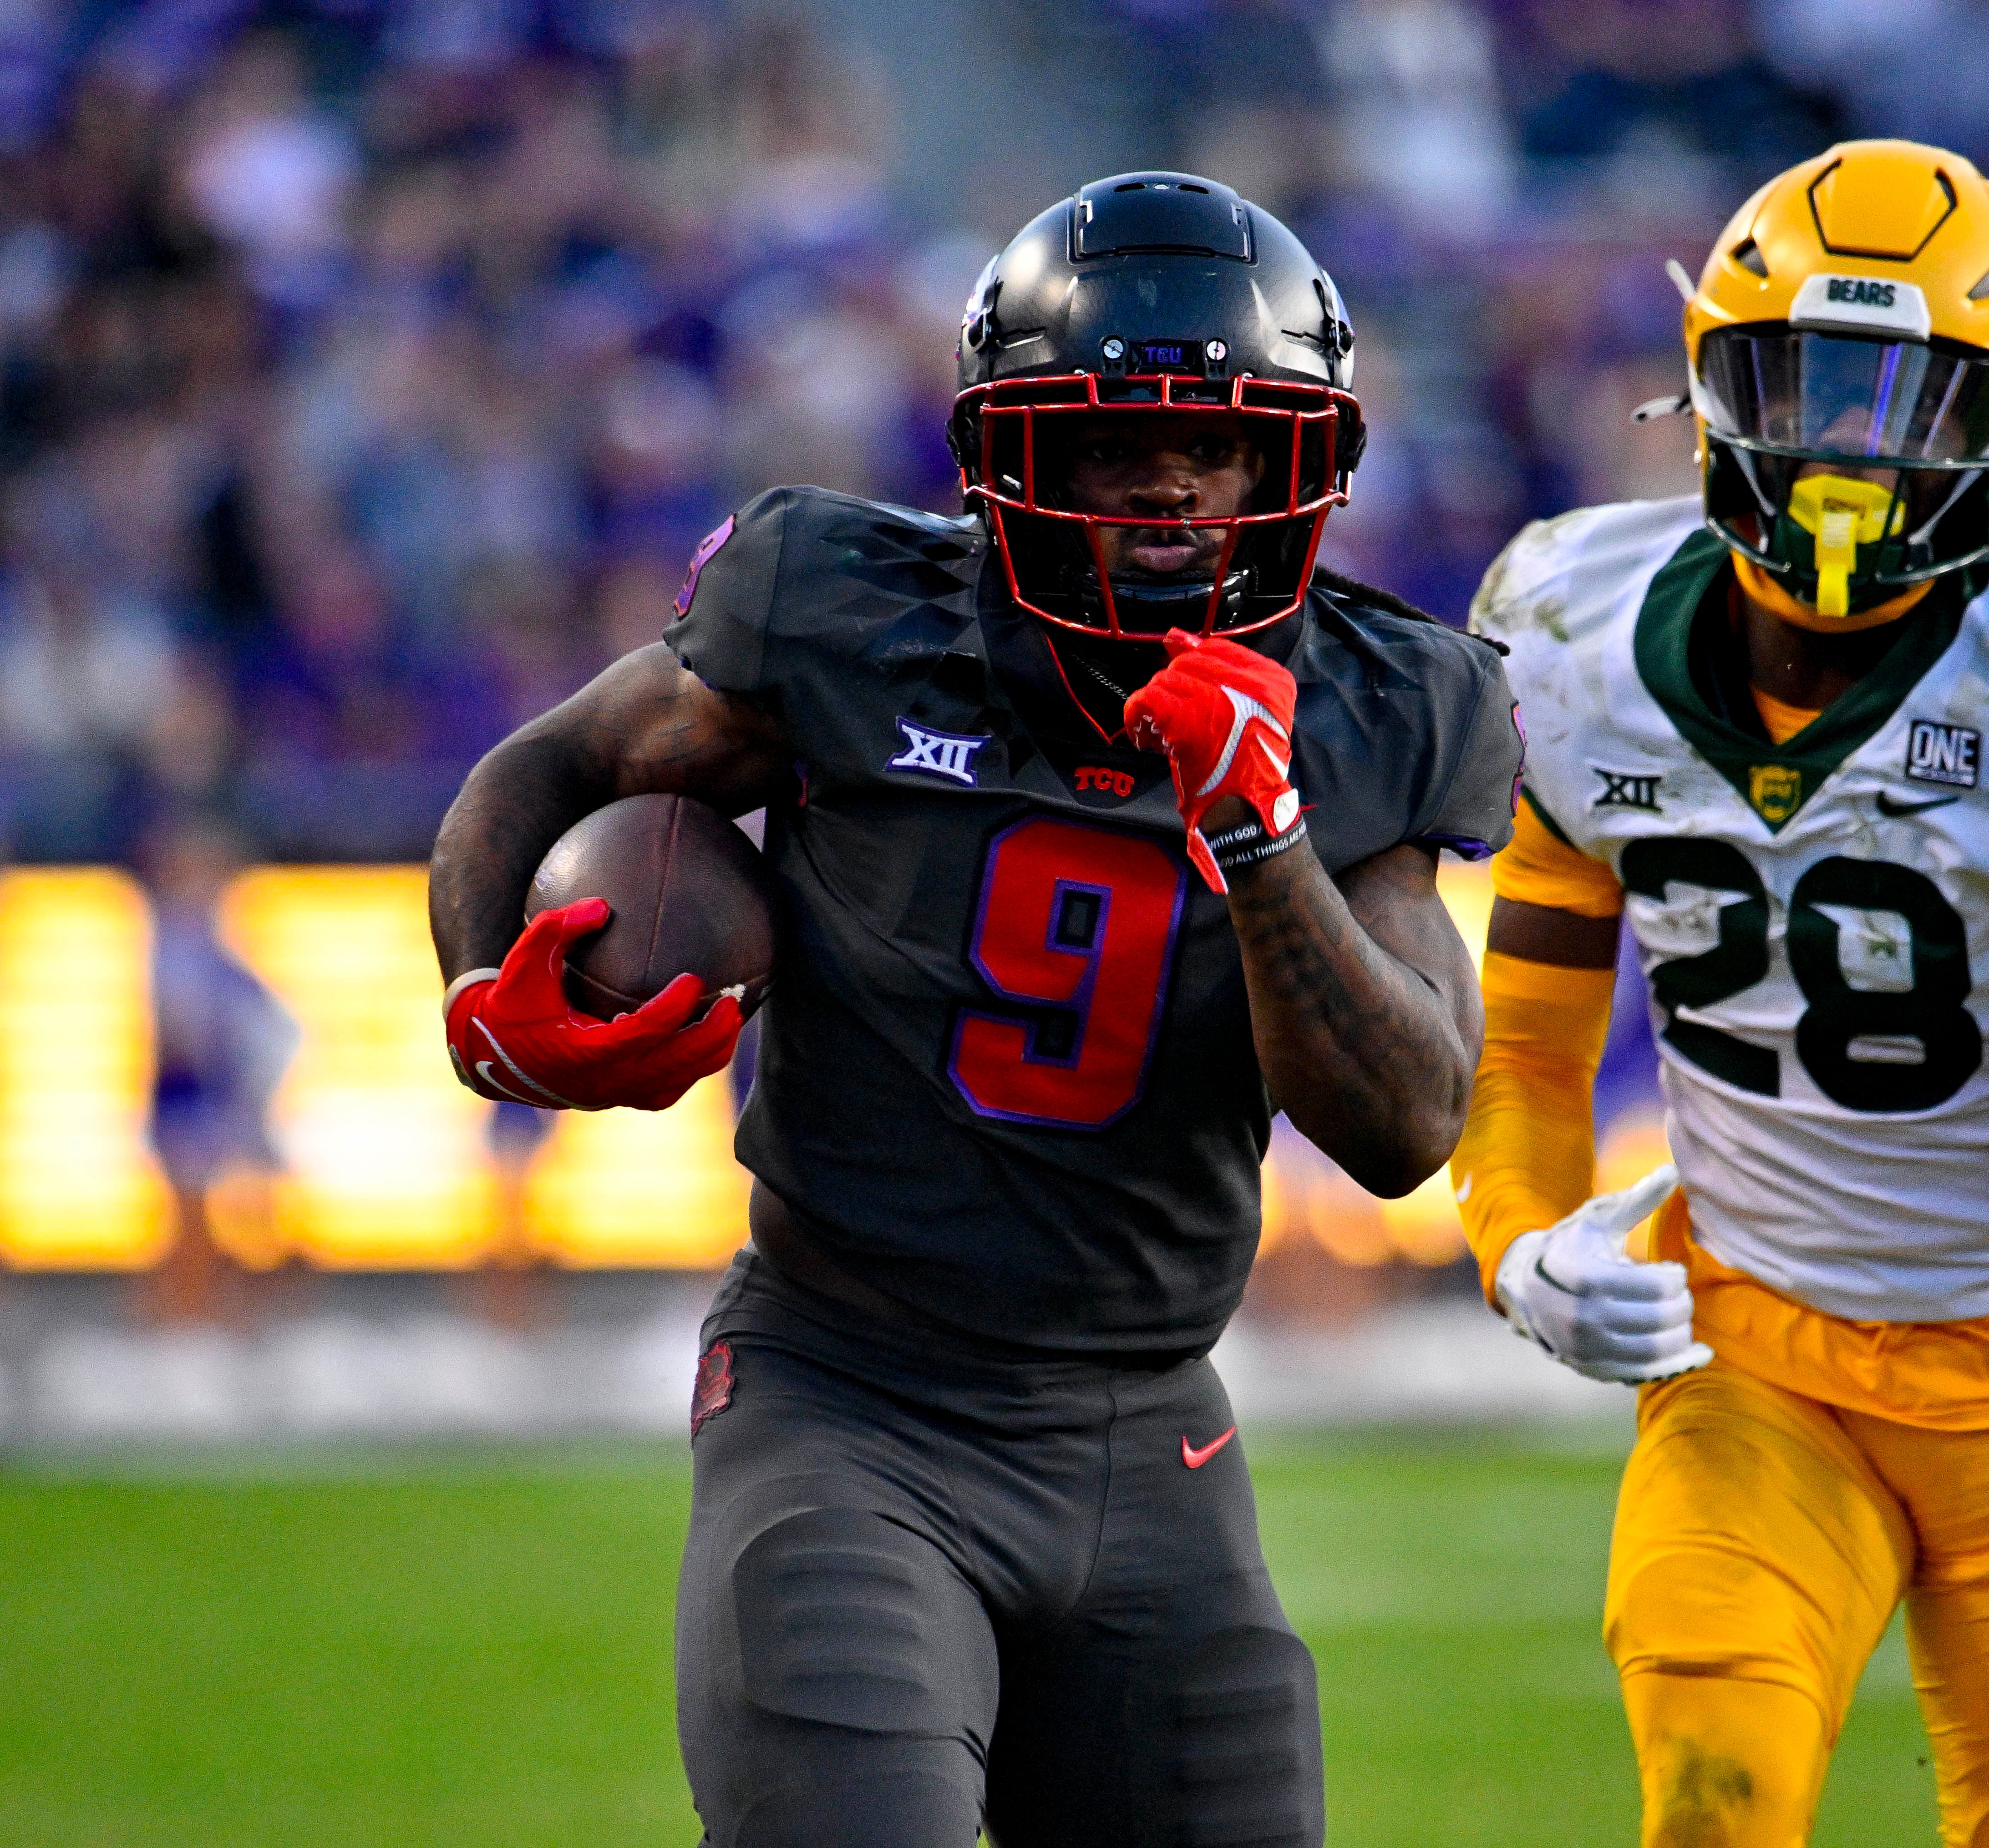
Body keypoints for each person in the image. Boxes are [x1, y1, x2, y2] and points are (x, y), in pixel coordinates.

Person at [425, 172, 1521, 1848]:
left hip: (1153, 1433)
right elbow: (555, 762)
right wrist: (478, 984)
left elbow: (1405, 1127)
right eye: (1110, 443)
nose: (1167, 485)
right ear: (1014, 455)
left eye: (1213, 445)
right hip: (849, 1396)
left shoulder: (1381, 705)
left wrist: (1264, 833)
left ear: (1291, 464)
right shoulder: (850, 616)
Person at [1452, 140, 1989, 1848]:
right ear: (1709, 382)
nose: (1850, 455)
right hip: (1752, 1358)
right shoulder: (1573, 646)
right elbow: (1519, 1045)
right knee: (1713, 1803)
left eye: (1918, 403)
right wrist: (1514, 1243)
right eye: (1808, 388)